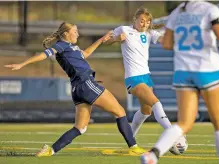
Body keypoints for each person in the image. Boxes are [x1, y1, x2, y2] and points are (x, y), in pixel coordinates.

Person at [4, 22, 146, 157]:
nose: (78, 34)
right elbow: (44, 54)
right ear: (66, 34)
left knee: (80, 128)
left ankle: (51, 150)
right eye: (75, 32)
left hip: (78, 89)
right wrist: (22, 64)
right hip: (86, 84)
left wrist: (102, 39)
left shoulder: (72, 47)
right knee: (120, 112)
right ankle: (133, 147)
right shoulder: (61, 45)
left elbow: (86, 54)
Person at [141, 1, 219, 164]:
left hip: (183, 71)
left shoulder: (177, 13)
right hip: (208, 70)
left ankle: (153, 154)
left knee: (184, 123)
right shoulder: (210, 10)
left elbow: (166, 44)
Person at [105, 7, 186, 147]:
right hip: (133, 78)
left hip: (146, 76)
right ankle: (172, 134)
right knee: (156, 103)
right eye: (142, 21)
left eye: (147, 22)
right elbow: (106, 41)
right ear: (134, 20)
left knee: (146, 110)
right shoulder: (124, 29)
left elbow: (162, 40)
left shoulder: (149, 33)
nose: (144, 24)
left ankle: (130, 140)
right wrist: (116, 39)